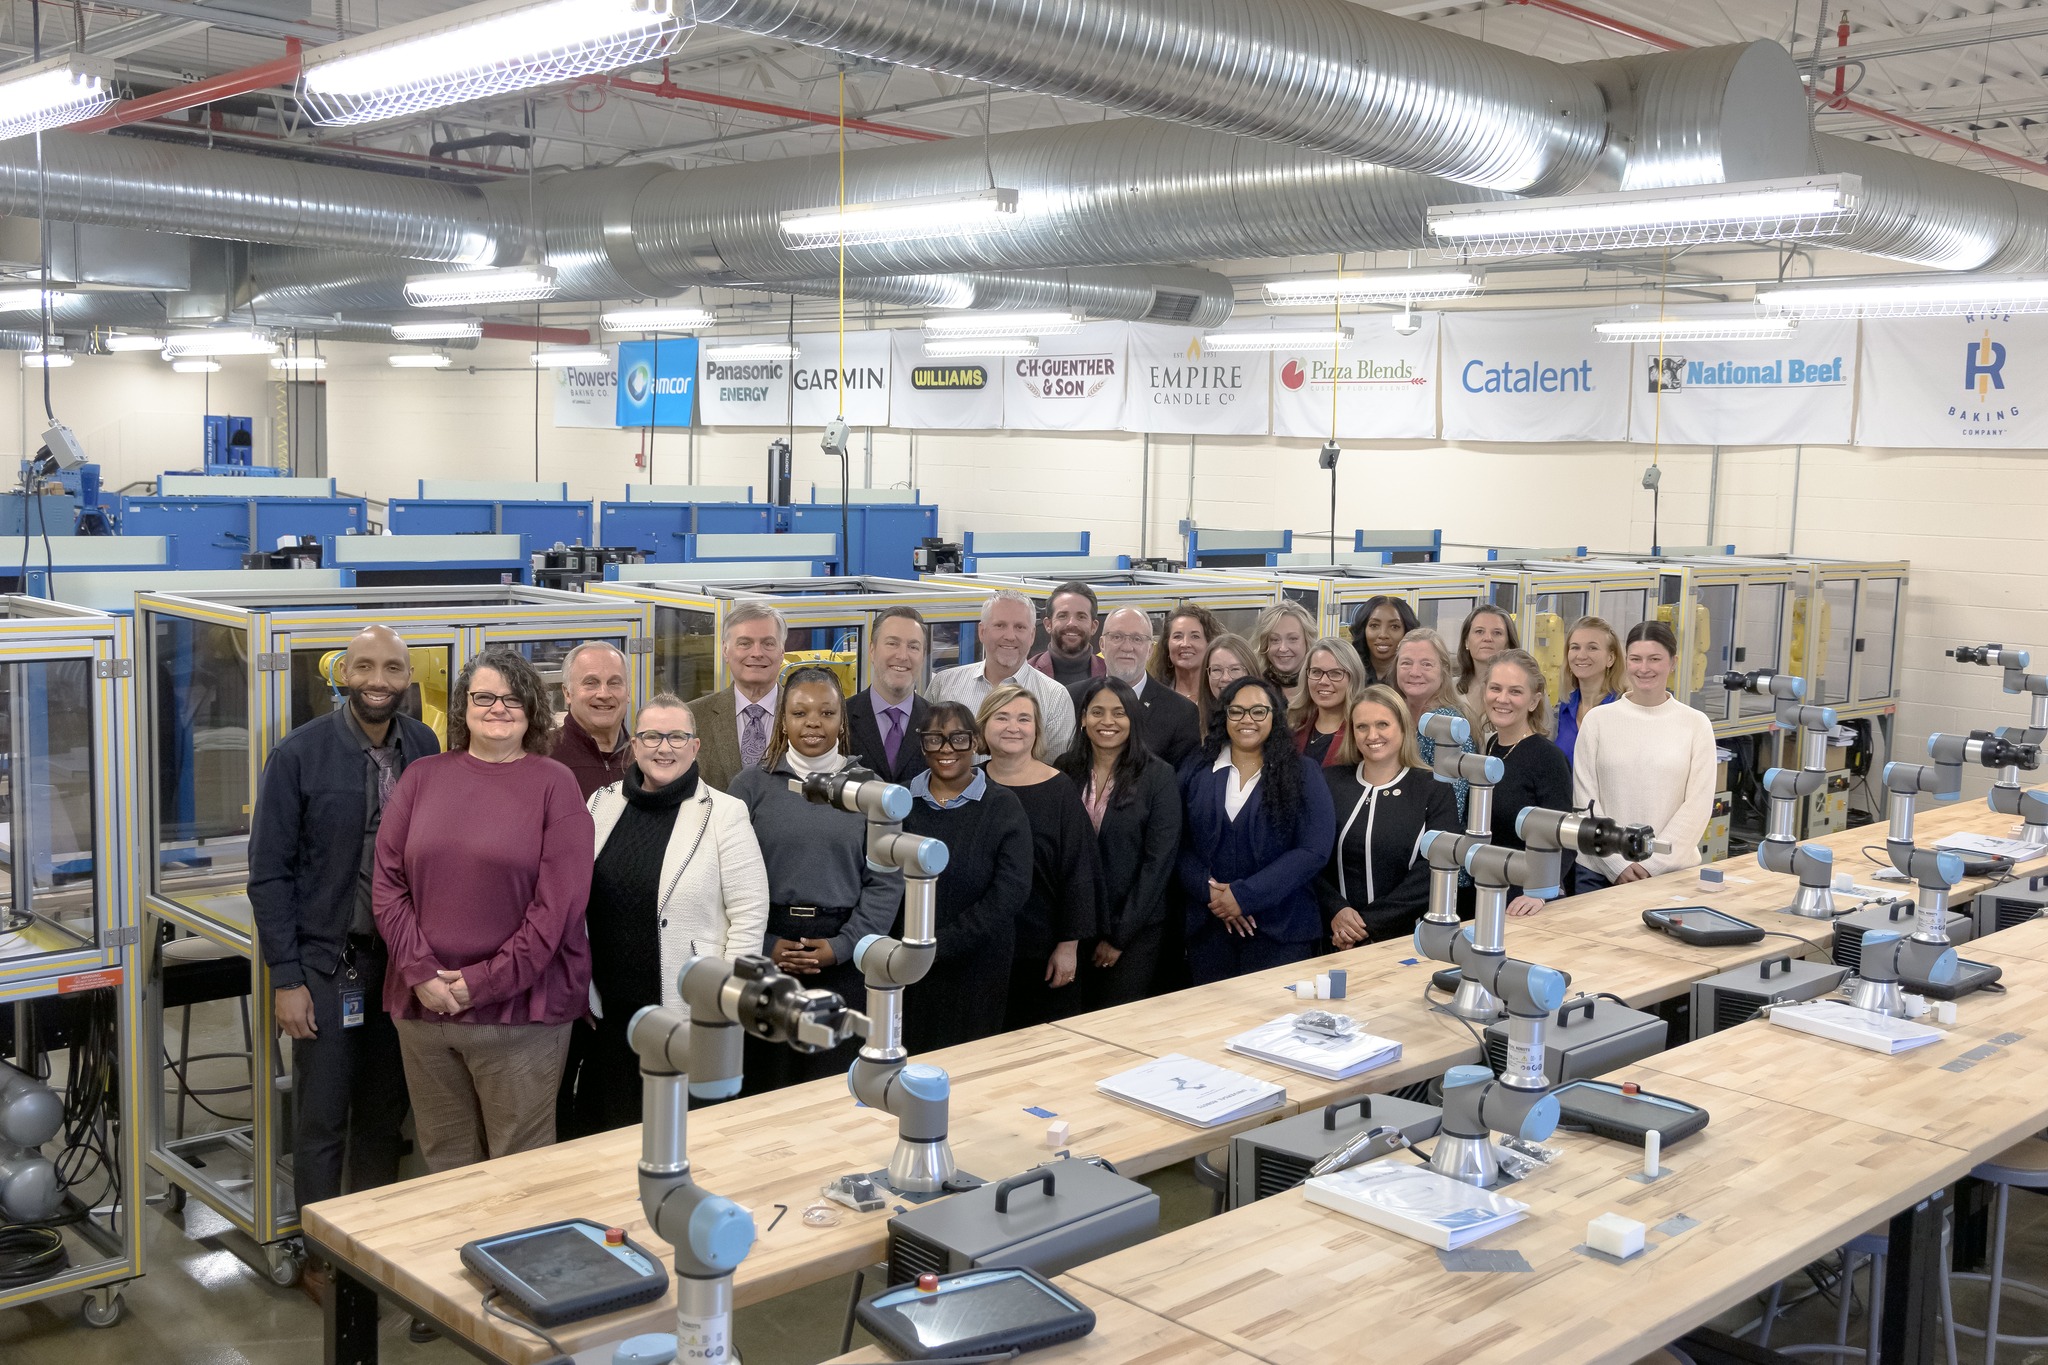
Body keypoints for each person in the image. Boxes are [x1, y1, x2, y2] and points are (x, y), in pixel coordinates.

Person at [373, 649, 593, 1172]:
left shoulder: (554, 784)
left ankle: (518, 1257)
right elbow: (387, 884)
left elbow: (557, 909)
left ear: (534, 710)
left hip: (520, 1016)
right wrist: (422, 972)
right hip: (423, 1010)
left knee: (519, 1170)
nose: (498, 708)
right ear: (463, 707)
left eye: (513, 698)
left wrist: (482, 983)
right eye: (484, 697)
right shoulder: (423, 777)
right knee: (444, 1161)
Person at [249, 624, 436, 1221]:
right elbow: (269, 875)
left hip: (403, 966)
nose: (378, 681)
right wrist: (287, 977)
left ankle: (371, 1241)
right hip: (330, 964)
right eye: (364, 667)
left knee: (385, 1114)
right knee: (323, 1116)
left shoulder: (425, 746)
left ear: (408, 678)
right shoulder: (298, 754)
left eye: (392, 669)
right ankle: (322, 1252)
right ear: (342, 674)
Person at [566, 696, 769, 1134]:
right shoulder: (600, 804)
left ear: (695, 747)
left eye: (677, 736)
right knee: (614, 1135)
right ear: (634, 746)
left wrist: (725, 1001)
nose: (664, 747)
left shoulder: (724, 813)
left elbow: (750, 915)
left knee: (684, 1137)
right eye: (652, 736)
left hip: (689, 1012)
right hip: (609, 1014)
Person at [730, 667, 905, 1089]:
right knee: (763, 1085)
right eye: (800, 712)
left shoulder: (871, 790)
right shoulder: (750, 786)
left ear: (841, 721)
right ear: (782, 720)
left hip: (842, 949)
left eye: (826, 712)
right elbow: (725, 878)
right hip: (767, 947)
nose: (813, 723)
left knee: (831, 1085)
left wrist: (844, 946)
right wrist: (766, 944)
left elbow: (885, 883)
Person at [1177, 677, 1335, 984]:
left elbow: (1313, 849)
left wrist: (1244, 897)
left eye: (1258, 711)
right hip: (1209, 931)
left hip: (1282, 932)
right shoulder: (1197, 768)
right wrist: (1211, 892)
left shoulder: (1302, 771)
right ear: (1225, 716)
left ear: (1274, 716)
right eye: (1236, 711)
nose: (1247, 720)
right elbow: (1176, 841)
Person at [901, 703, 1033, 1051]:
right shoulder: (896, 803)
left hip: (979, 965)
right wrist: (912, 947)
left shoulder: (1003, 806)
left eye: (958, 739)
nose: (946, 749)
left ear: (975, 743)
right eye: (934, 740)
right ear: (921, 745)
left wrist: (943, 943)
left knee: (972, 1063)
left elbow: (1011, 891)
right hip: (907, 962)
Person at [978, 685, 1100, 1029]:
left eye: (1023, 718)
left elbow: (1078, 873)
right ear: (984, 726)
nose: (1012, 727)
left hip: (1042, 952)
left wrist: (1068, 946)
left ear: (1037, 729)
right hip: (982, 949)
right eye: (1001, 717)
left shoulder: (1059, 789)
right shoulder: (970, 785)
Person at [1059, 678, 1180, 1009]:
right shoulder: (1064, 770)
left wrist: (1118, 937)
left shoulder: (1158, 776)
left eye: (1119, 712)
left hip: (1133, 931)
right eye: (1097, 712)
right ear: (1082, 718)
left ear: (1133, 720)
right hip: (1073, 929)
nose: (1107, 722)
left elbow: (1158, 863)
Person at [1573, 621, 1718, 893]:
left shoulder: (1696, 724)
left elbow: (1697, 807)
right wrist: (1617, 864)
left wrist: (1652, 865)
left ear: (1673, 662)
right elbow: (1584, 802)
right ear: (1625, 661)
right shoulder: (1598, 721)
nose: (1644, 668)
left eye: (1655, 659)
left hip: (1671, 874)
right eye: (1636, 659)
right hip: (1599, 871)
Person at [1318, 686, 1458, 948]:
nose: (1372, 735)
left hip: (1407, 943)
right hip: (1332, 939)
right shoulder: (1329, 782)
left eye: (1383, 724)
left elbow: (1434, 872)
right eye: (1362, 727)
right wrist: (1336, 911)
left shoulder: (1434, 788)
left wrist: (1365, 925)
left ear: (1403, 727)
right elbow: (1310, 857)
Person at [1476, 651, 1578, 918]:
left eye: (1515, 692)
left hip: (1526, 900)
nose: (1502, 699)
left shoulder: (1548, 758)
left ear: (1533, 701)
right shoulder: (1491, 746)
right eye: (1495, 688)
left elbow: (1565, 837)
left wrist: (1539, 892)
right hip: (1491, 887)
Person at [928, 589, 1077, 755]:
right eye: (1000, 625)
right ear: (982, 631)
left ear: (1032, 635)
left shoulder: (1055, 697)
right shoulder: (944, 684)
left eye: (1020, 627)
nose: (1010, 636)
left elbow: (1055, 771)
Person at [689, 603, 787, 791]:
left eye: (768, 643)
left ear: (782, 651)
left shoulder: (808, 719)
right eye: (745, 644)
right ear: (725, 650)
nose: (757, 653)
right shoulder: (692, 717)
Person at [1092, 605, 1201, 769]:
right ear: (1102, 644)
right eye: (1117, 637)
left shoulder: (1182, 713)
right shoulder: (1075, 698)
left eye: (1137, 639)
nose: (1127, 647)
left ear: (1150, 649)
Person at [1395, 628, 1477, 822]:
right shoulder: (1393, 716)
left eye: (1426, 664)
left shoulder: (1448, 723)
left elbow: (1452, 806)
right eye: (1406, 663)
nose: (1415, 672)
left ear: (1444, 671)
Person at [847, 605, 932, 784]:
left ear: (923, 656)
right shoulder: (841, 718)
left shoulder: (938, 723)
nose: (902, 656)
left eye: (913, 647)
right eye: (892, 643)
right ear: (872, 650)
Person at [551, 641, 633, 799]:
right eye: (591, 683)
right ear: (567, 693)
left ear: (628, 692)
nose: (604, 694)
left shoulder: (646, 760)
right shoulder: (541, 756)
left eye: (614, 683)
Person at [1289, 636, 1368, 767]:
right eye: (1316, 672)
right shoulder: (1294, 726)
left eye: (1335, 673)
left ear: (1353, 678)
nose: (1323, 681)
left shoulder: (1362, 732)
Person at [1556, 615, 1625, 766]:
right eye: (1575, 647)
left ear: (1611, 658)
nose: (1581, 656)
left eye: (1592, 648)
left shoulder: (1623, 710)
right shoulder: (1564, 709)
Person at [1029, 581, 1104, 687]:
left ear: (1094, 627)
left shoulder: (1110, 674)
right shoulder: (1026, 674)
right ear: (1048, 624)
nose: (1072, 623)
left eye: (1081, 617)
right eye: (1063, 616)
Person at [1149, 601, 1223, 707]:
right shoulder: (1152, 697)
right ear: (1167, 645)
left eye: (1195, 636)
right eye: (1177, 636)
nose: (1185, 644)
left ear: (1209, 643)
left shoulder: (1222, 696)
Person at [1349, 595, 1419, 688]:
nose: (1383, 635)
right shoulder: (1349, 674)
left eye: (1394, 627)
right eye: (1374, 625)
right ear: (1363, 630)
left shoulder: (1416, 677)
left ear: (1407, 632)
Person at [1456, 605, 1520, 706]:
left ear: (1508, 643)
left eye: (1497, 633)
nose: (1487, 638)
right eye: (1479, 631)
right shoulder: (1448, 690)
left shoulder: (1528, 690)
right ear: (1466, 642)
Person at [1197, 633, 1261, 732]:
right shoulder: (1193, 723)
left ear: (1251, 672)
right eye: (1216, 670)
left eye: (1235, 669)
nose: (1225, 678)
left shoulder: (1269, 723)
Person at [1252, 601, 1317, 698]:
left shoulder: (1321, 687)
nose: (1283, 648)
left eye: (1293, 639)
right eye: (1275, 640)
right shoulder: (1253, 688)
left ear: (1307, 641)